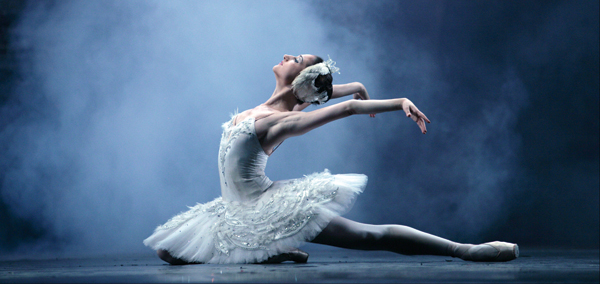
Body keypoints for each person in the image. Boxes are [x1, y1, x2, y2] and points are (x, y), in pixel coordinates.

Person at [143, 54, 519, 264]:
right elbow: (342, 93)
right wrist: (357, 87)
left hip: (267, 206)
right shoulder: (274, 104)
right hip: (232, 209)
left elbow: (345, 110)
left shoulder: (283, 121)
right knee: (167, 250)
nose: (288, 55)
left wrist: (398, 102)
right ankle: (273, 252)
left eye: (298, 58)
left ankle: (464, 250)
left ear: (300, 79)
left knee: (370, 235)